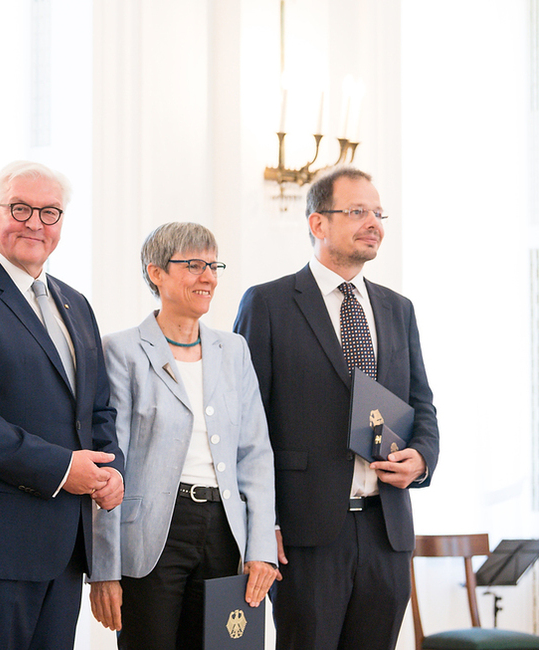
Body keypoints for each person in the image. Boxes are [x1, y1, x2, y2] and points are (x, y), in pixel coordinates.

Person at [0, 161, 124, 650]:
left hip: (64, 545)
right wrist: (62, 469)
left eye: (49, 212)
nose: (35, 223)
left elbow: (97, 409)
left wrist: (111, 469)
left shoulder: (75, 303)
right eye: (20, 208)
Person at [233, 166, 440, 650]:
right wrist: (262, 526)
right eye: (358, 212)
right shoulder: (268, 303)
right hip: (305, 534)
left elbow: (422, 405)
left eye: (378, 213)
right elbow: (246, 422)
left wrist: (423, 458)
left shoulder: (398, 308)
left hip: (386, 530)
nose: (374, 223)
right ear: (318, 224)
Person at [88, 222, 277, 649]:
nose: (208, 276)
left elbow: (255, 455)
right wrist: (104, 568)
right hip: (152, 534)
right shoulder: (121, 350)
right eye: (194, 265)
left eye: (213, 265)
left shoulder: (235, 350)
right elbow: (108, 464)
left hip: (225, 532)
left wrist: (261, 546)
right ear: (156, 273)